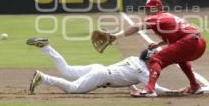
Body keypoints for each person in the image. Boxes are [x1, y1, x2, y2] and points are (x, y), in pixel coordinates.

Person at [110, 0, 207, 97]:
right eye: (146, 8)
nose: (147, 10)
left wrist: (116, 36)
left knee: (155, 60)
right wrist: (159, 44)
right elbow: (176, 34)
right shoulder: (168, 16)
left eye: (150, 8)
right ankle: (195, 86)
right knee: (181, 60)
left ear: (157, 8)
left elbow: (136, 27)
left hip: (188, 42)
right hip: (199, 44)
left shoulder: (157, 17)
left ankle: (150, 90)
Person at [27, 37, 177, 96]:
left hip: (99, 69)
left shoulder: (133, 59)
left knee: (66, 69)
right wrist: (174, 92)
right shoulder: (143, 72)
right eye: (157, 57)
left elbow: (125, 73)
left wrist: (133, 87)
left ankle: (46, 47)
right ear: (150, 59)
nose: (160, 59)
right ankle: (43, 78)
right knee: (73, 89)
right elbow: (156, 89)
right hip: (101, 75)